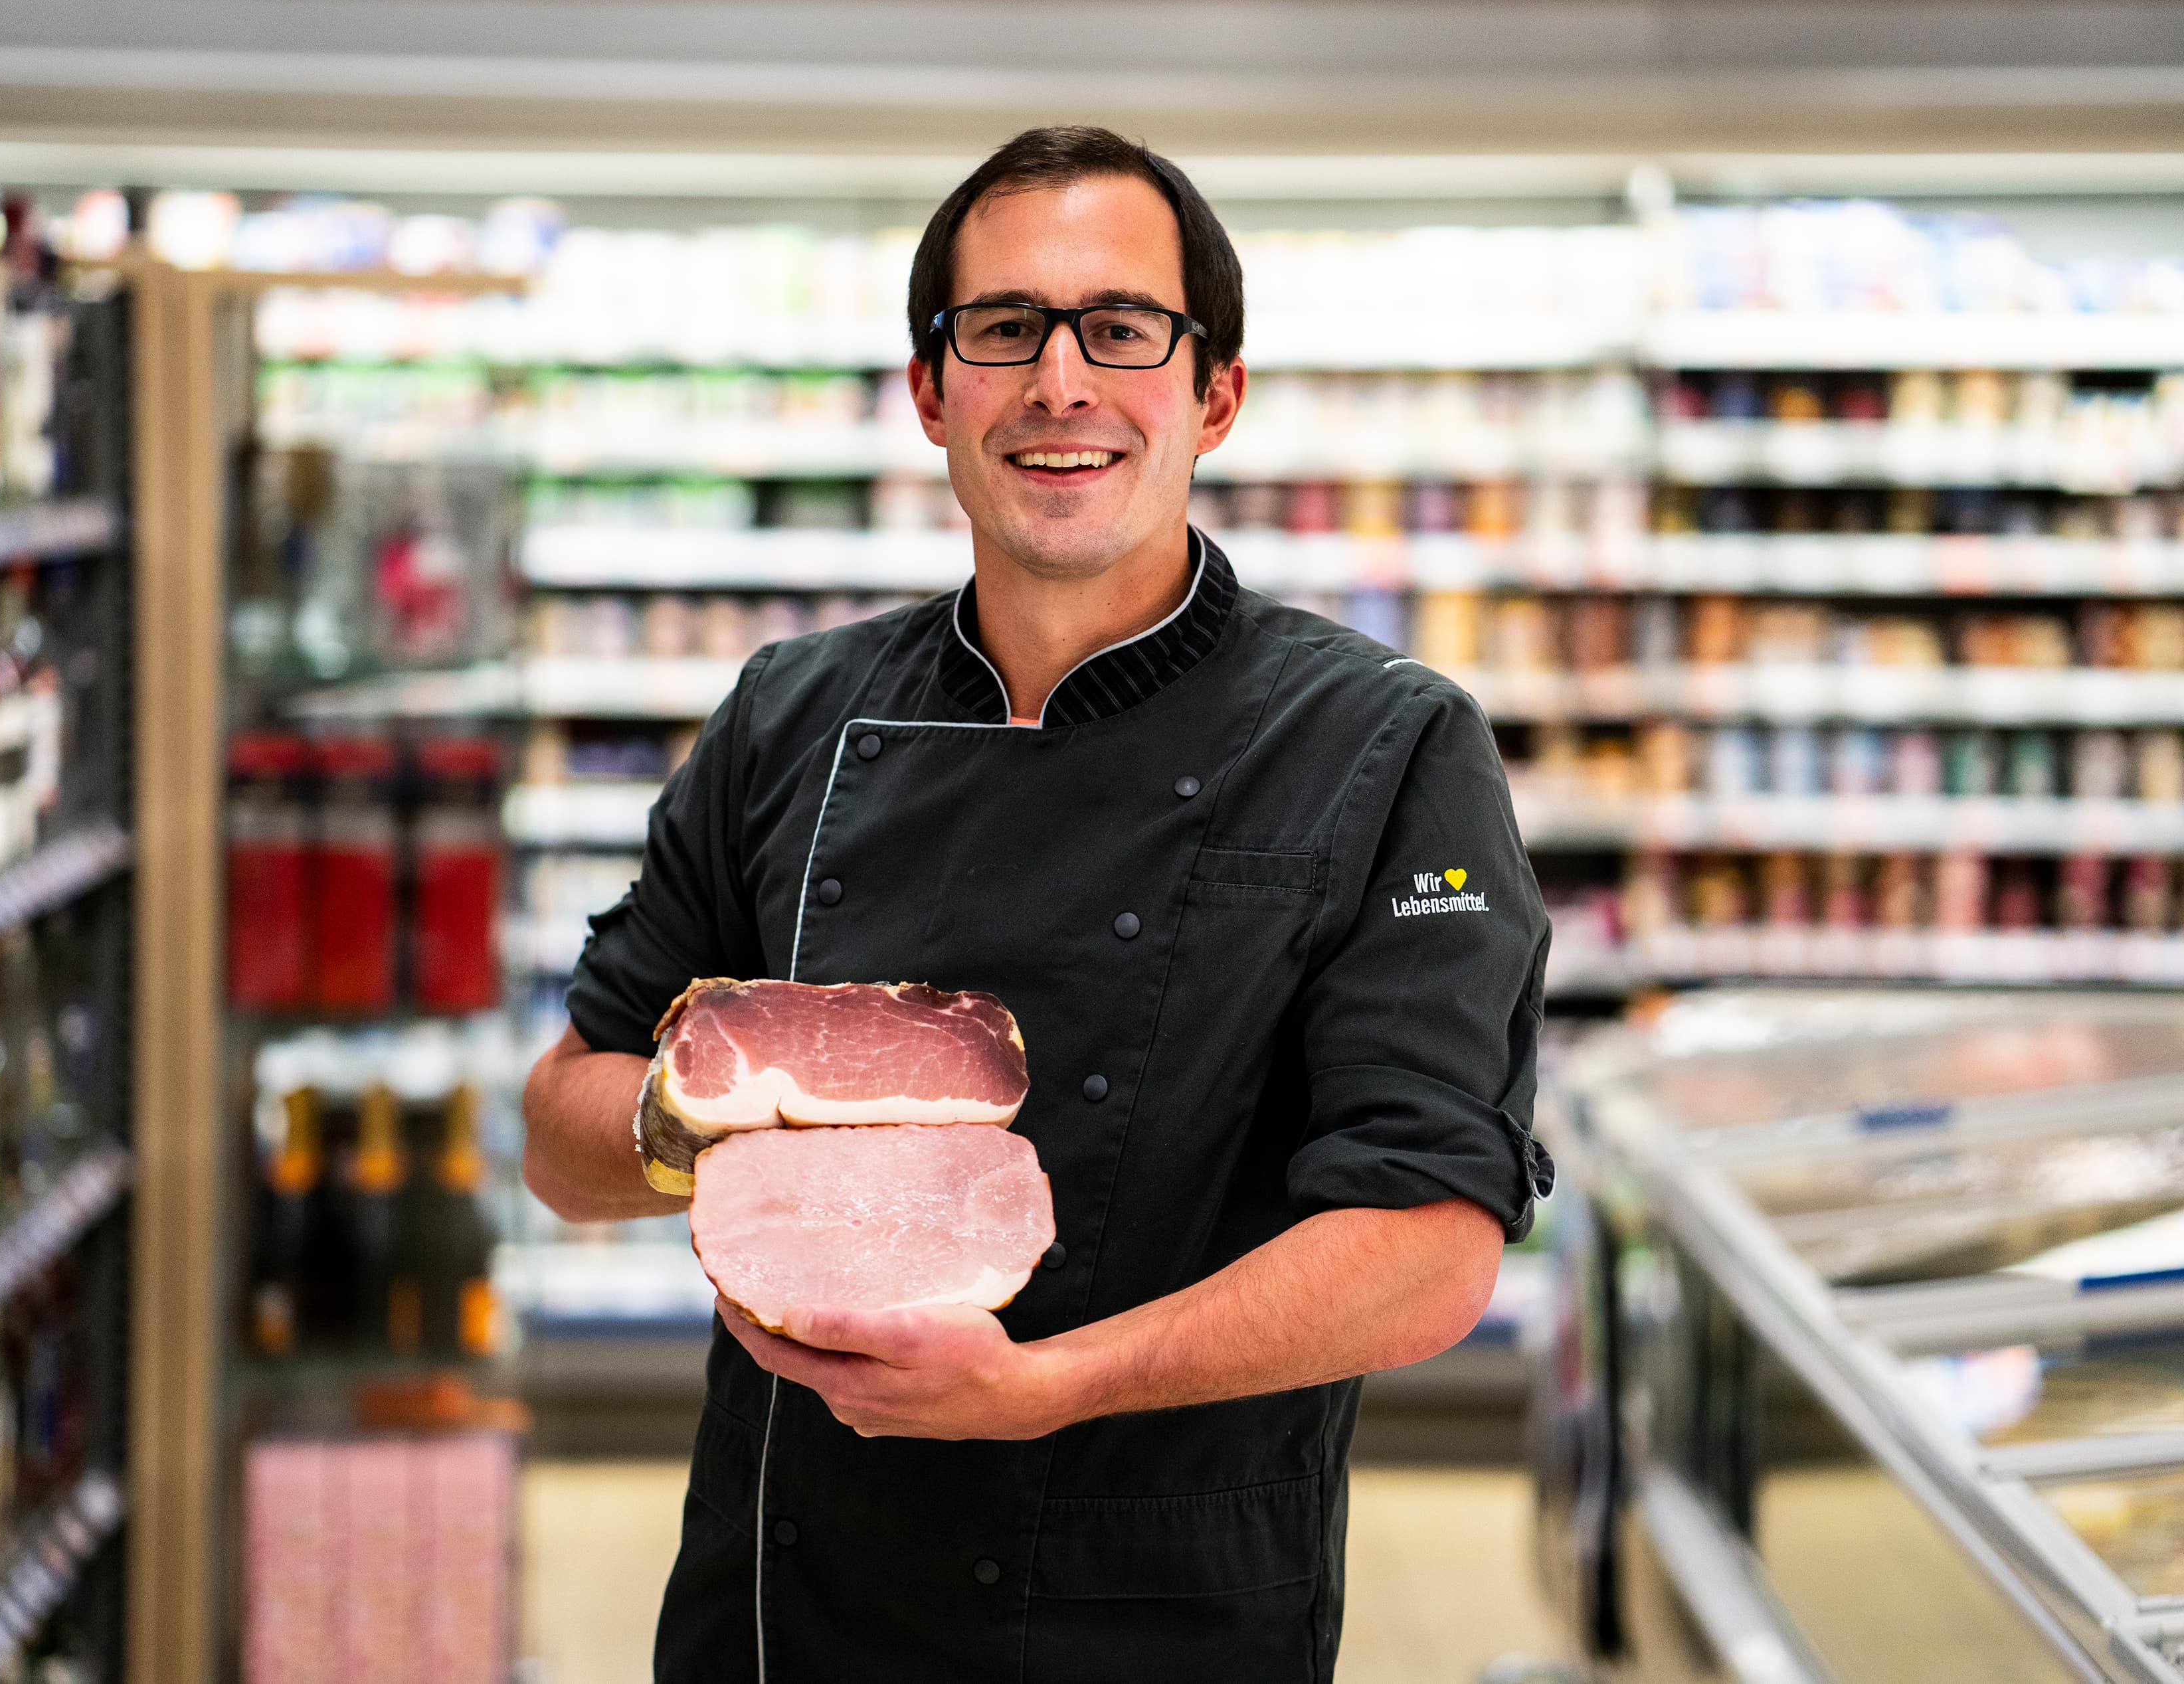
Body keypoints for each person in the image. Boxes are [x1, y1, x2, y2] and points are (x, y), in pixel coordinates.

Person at [521, 124, 1552, 1681]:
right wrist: (733, 1115)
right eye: (1002, 328)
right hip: (779, 1609)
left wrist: (1045, 1387)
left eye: (1119, 329)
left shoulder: (1382, 742)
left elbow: (1426, 1245)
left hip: (1158, 1617)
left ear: (1214, 393)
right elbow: (559, 1134)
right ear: (931, 392)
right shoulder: (791, 715)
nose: (1059, 383)